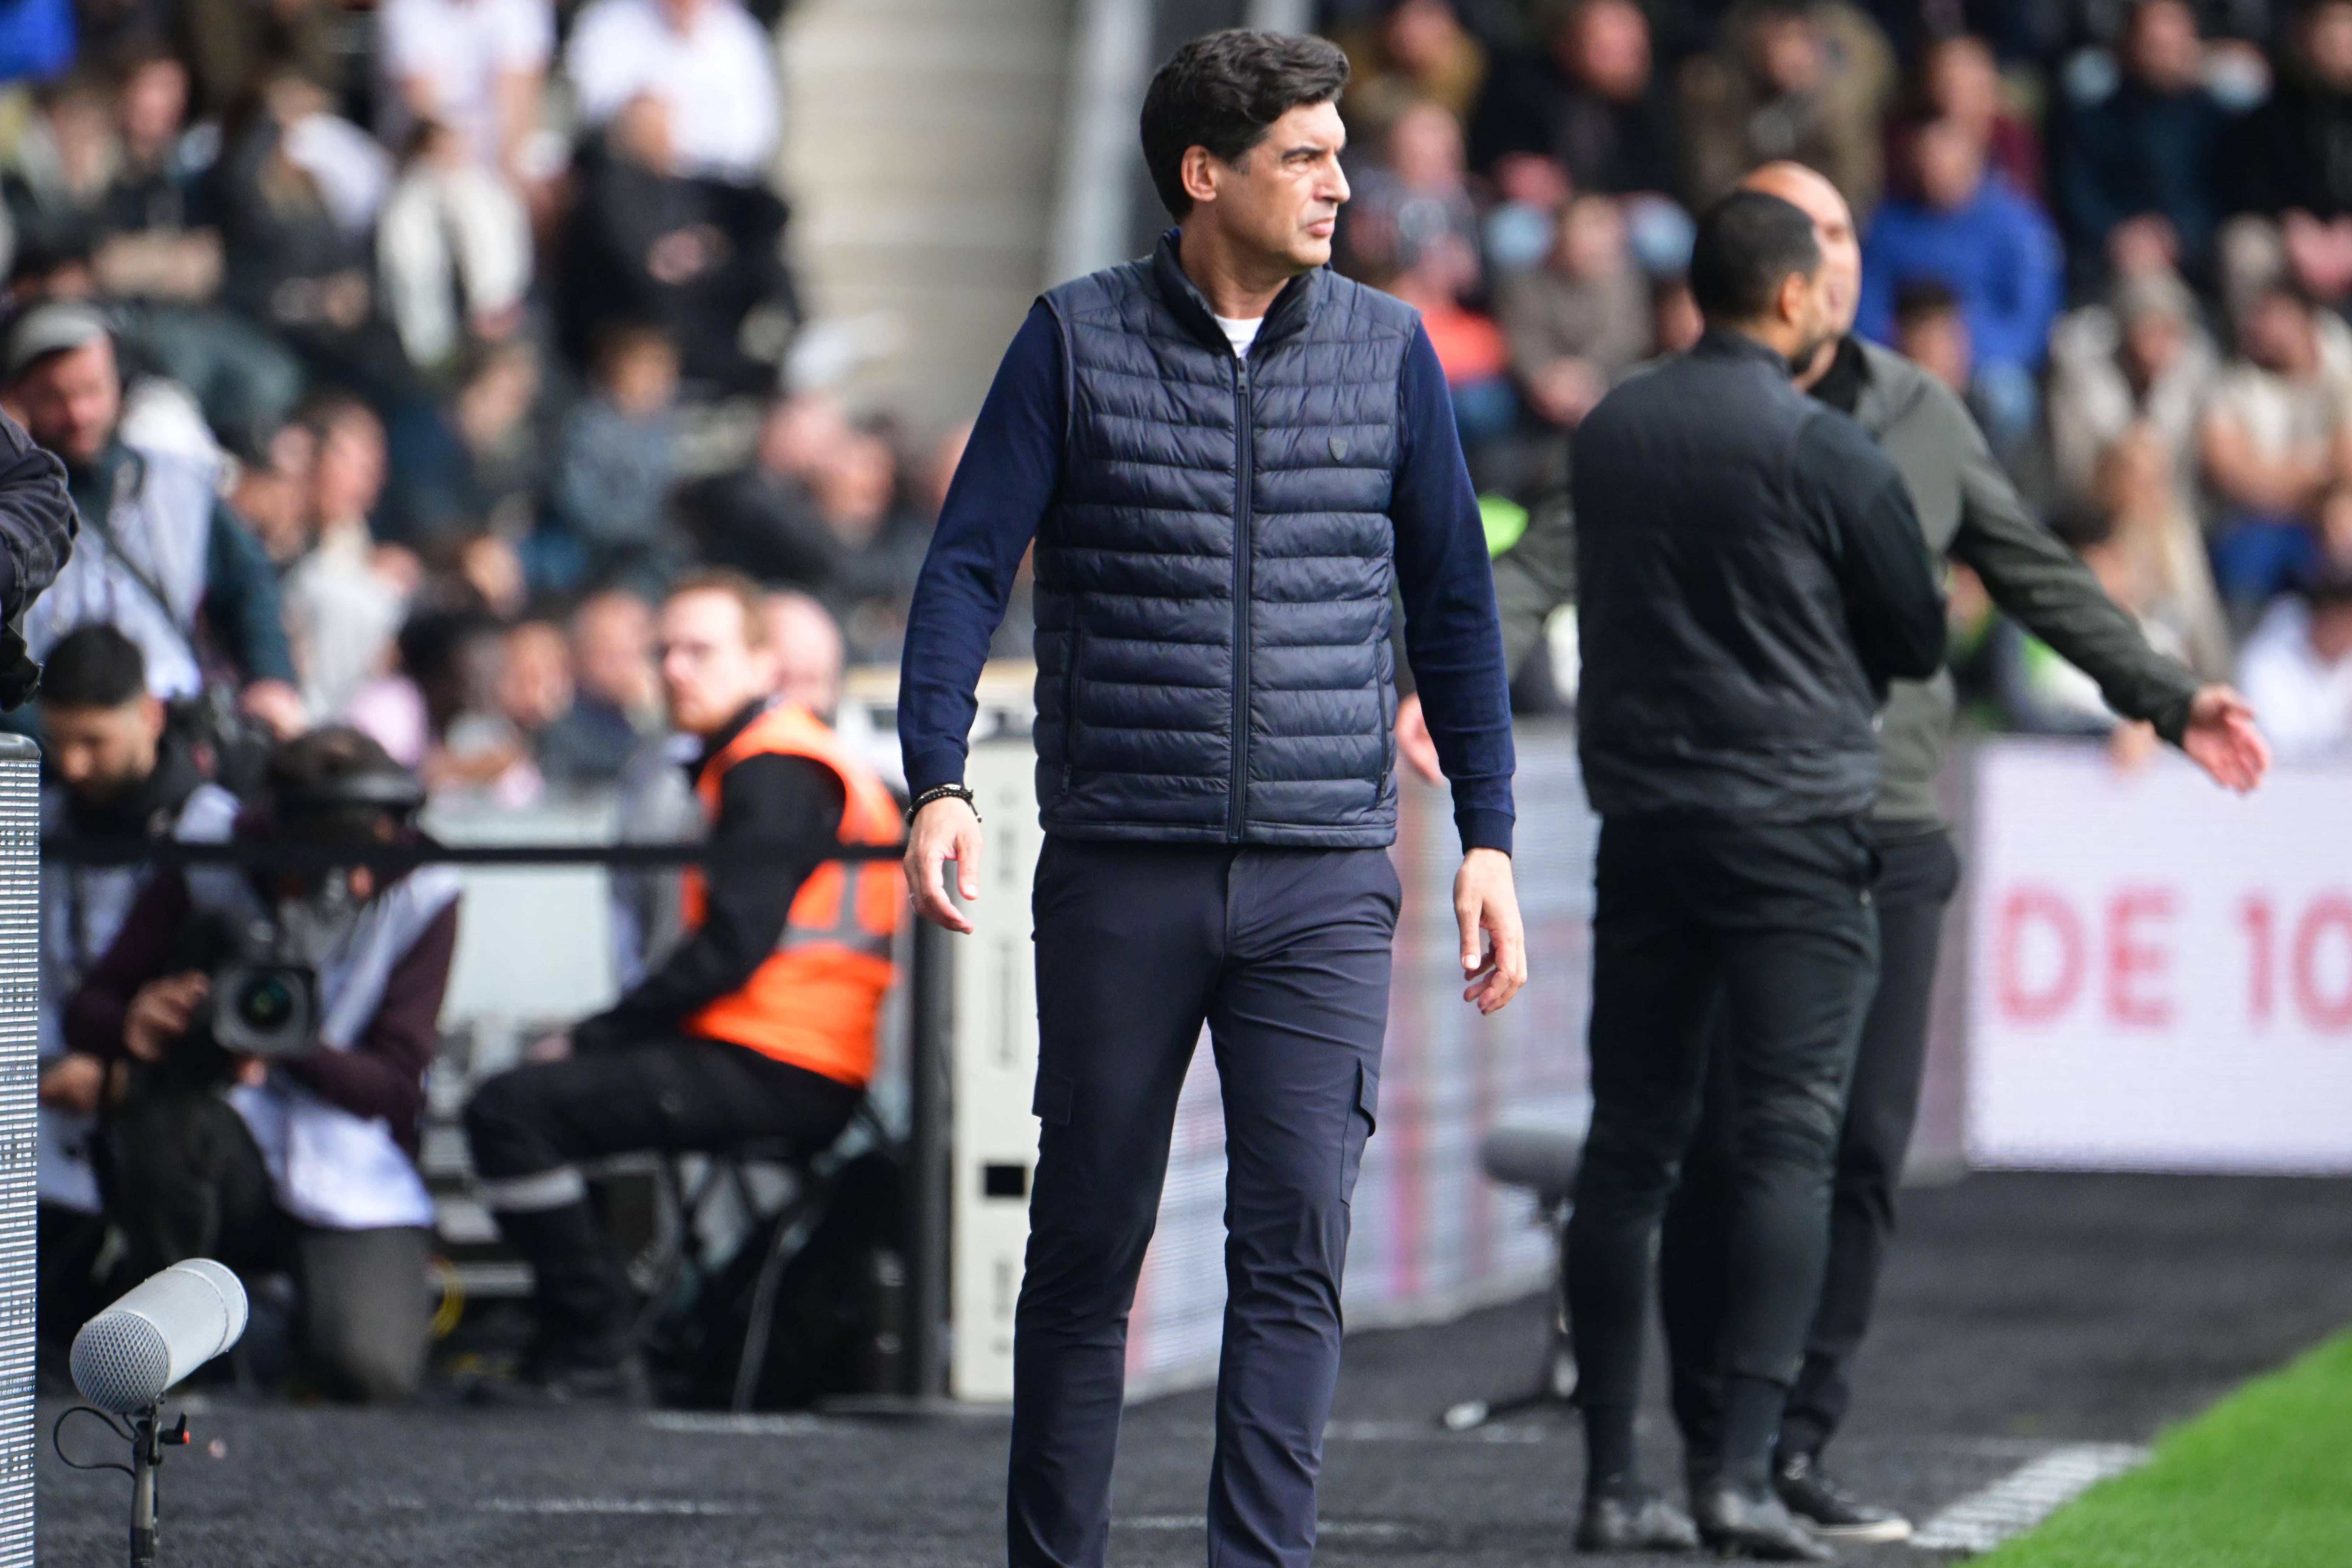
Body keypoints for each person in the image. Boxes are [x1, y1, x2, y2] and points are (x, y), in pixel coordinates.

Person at [1435, 162, 2272, 1550]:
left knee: (1850, 1150)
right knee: (1734, 1148)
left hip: (1857, 828)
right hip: (1793, 822)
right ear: (1775, 271)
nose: (1826, 262)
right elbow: (1555, 568)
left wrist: (2162, 691)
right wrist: (1446, 675)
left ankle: (1781, 1441)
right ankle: (1725, 1448)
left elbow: (2027, 570)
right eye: (1803, 238)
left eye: (1839, 233)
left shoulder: (1902, 410)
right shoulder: (1735, 431)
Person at [896, 31, 1523, 1568]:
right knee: (1088, 1246)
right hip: (1121, 865)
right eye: (1305, 155)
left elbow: (1457, 609)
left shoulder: (1389, 350)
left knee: (1293, 1247)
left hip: (1324, 868)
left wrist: (1490, 834)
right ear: (1204, 174)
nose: (1340, 183)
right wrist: (937, 779)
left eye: (1338, 151)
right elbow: (967, 566)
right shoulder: (1071, 337)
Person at [1564, 188, 1947, 1559]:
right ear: (1790, 298)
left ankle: (1612, 1484)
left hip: (1646, 828)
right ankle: (1737, 1474)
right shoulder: (1825, 448)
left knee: (1630, 1148)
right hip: (1792, 834)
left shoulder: (1609, 428)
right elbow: (1914, 637)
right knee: (1786, 1141)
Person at [464, 571, 900, 1401]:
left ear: (763, 665)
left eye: (701, 652)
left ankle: (595, 1349)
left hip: (776, 1063)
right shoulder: (770, 760)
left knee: (508, 1110)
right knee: (546, 1096)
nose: (674, 670)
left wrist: (595, 1034)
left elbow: (731, 948)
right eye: (663, 651)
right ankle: (597, 1332)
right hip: (786, 1057)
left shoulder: (772, 768)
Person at [65, 727, 461, 1402]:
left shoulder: (423, 889)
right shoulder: (213, 856)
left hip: (351, 1163)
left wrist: (286, 1040)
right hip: (222, 1132)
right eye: (335, 863)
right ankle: (178, 1349)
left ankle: (283, 1335)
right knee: (168, 1132)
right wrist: (143, 1017)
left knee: (371, 1370)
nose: (359, 881)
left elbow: (396, 1082)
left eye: (372, 859)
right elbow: (91, 1008)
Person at [33, 626, 240, 1360]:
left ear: (149, 714)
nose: (73, 762)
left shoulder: (210, 831)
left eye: (94, 739)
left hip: (168, 1097)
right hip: (45, 1085)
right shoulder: (40, 815)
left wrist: (121, 1071)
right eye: (59, 740)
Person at [7, 304, 296, 729]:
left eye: (91, 391)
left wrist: (271, 680)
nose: (78, 414)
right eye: (56, 398)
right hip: (54, 741)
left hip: (172, 729)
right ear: (20, 397)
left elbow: (250, 586)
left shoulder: (177, 484)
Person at [1857, 116, 2060, 458]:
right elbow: (1864, 308)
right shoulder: (1888, 223)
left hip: (1986, 367)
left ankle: (1990, 493)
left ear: (1975, 160)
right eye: (1926, 159)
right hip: (1904, 361)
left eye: (1946, 158)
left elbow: (2032, 320)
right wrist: (1909, 349)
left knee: (2007, 397)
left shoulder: (2016, 222)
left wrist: (1962, 350)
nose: (1935, 170)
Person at [2053, 0, 2232, 292]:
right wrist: (2118, 236)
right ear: (2128, 45)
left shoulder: (2214, 119)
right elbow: (2078, 193)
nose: (2162, 55)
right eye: (2152, 45)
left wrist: (2178, 236)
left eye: (2171, 45)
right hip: (2115, 260)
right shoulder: (2091, 120)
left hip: (2198, 259)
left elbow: (2225, 195)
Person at [563, 0, 780, 186]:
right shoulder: (609, 22)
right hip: (627, 177)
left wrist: (676, 142)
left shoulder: (740, 35)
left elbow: (753, 140)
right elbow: (593, 116)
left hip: (713, 187)